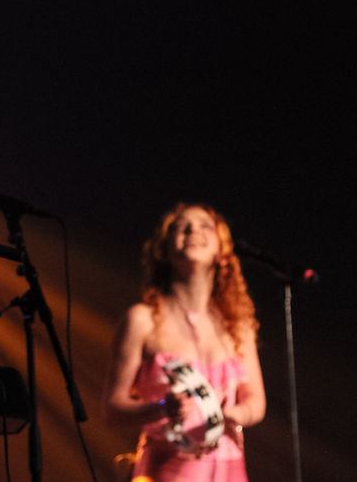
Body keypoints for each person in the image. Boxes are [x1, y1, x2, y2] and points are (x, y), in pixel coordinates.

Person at [102, 203, 265, 482]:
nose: (192, 230)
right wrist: (163, 408)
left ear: (221, 250)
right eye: (181, 227)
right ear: (164, 249)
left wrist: (232, 414)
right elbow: (112, 410)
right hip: (167, 469)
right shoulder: (142, 320)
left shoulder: (237, 325)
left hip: (229, 468)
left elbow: (256, 401)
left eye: (205, 226)